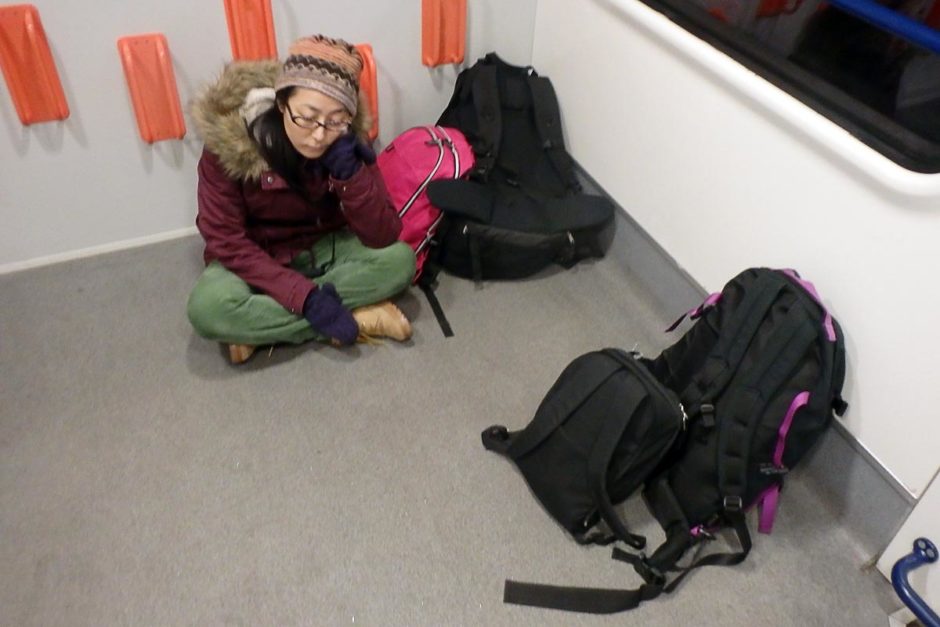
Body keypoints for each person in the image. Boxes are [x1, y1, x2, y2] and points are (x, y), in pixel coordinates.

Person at [187, 35, 416, 364]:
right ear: (281, 104)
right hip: (256, 254)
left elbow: (383, 234)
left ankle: (256, 328)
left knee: (400, 261)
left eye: (336, 119)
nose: (320, 133)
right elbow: (226, 240)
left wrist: (351, 177)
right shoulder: (228, 145)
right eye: (306, 117)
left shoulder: (345, 140)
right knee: (207, 308)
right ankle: (359, 317)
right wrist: (307, 300)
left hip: (325, 246)